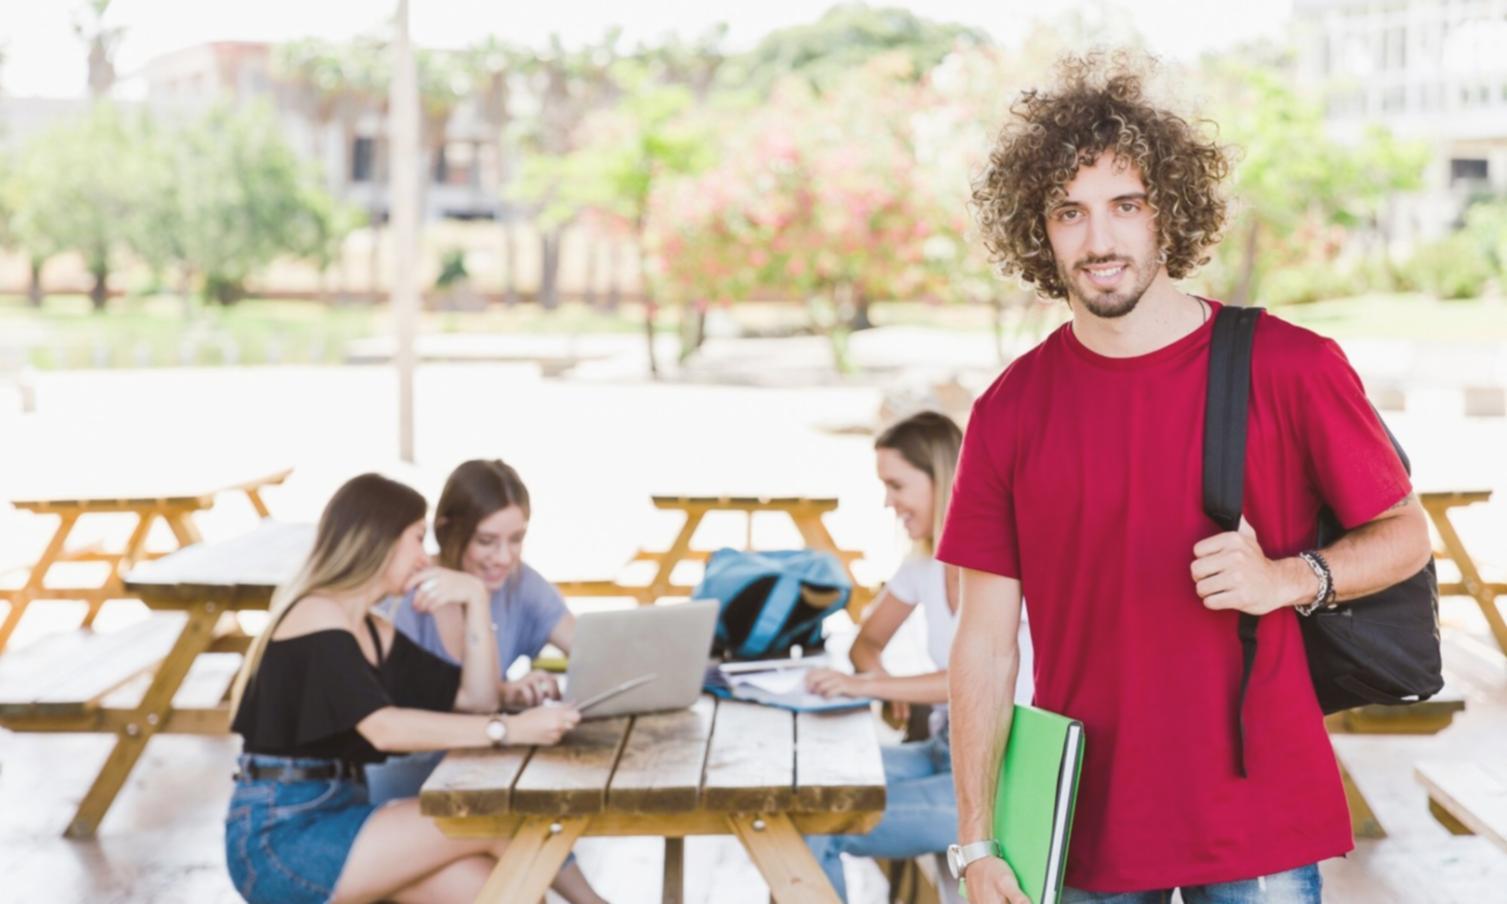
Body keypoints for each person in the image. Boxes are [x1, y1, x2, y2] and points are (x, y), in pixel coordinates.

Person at [938, 55, 1433, 904]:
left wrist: (1288, 578)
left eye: (1125, 205)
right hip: (1081, 826)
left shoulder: (1288, 364)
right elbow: (983, 641)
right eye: (1070, 213)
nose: (1099, 240)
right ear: (1039, 231)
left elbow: (1405, 535)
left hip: (1256, 821)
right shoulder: (1008, 410)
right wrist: (976, 838)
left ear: (1168, 211)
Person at [225, 473, 581, 904]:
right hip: (281, 834)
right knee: (493, 819)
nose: (424, 558)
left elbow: (477, 699)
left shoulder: (374, 630)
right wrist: (508, 730)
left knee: (492, 888)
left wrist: (475, 602)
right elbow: (384, 728)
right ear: (381, 540)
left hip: (343, 813)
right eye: (416, 538)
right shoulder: (317, 613)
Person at [802, 410, 1035, 901]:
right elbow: (866, 643)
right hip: (941, 749)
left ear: (943, 479)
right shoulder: (923, 565)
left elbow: (985, 675)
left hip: (1000, 774)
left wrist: (871, 686)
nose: (888, 503)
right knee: (807, 790)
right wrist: (883, 682)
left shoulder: (1008, 566)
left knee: (819, 822)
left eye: (897, 485)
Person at [365, 458, 606, 904]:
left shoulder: (520, 585)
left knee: (517, 861)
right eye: (487, 541)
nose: (504, 557)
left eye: (517, 539)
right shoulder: (404, 598)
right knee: (516, 855)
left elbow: (596, 654)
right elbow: (393, 717)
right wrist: (501, 701)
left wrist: (510, 692)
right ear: (447, 531)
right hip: (402, 782)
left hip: (471, 768)